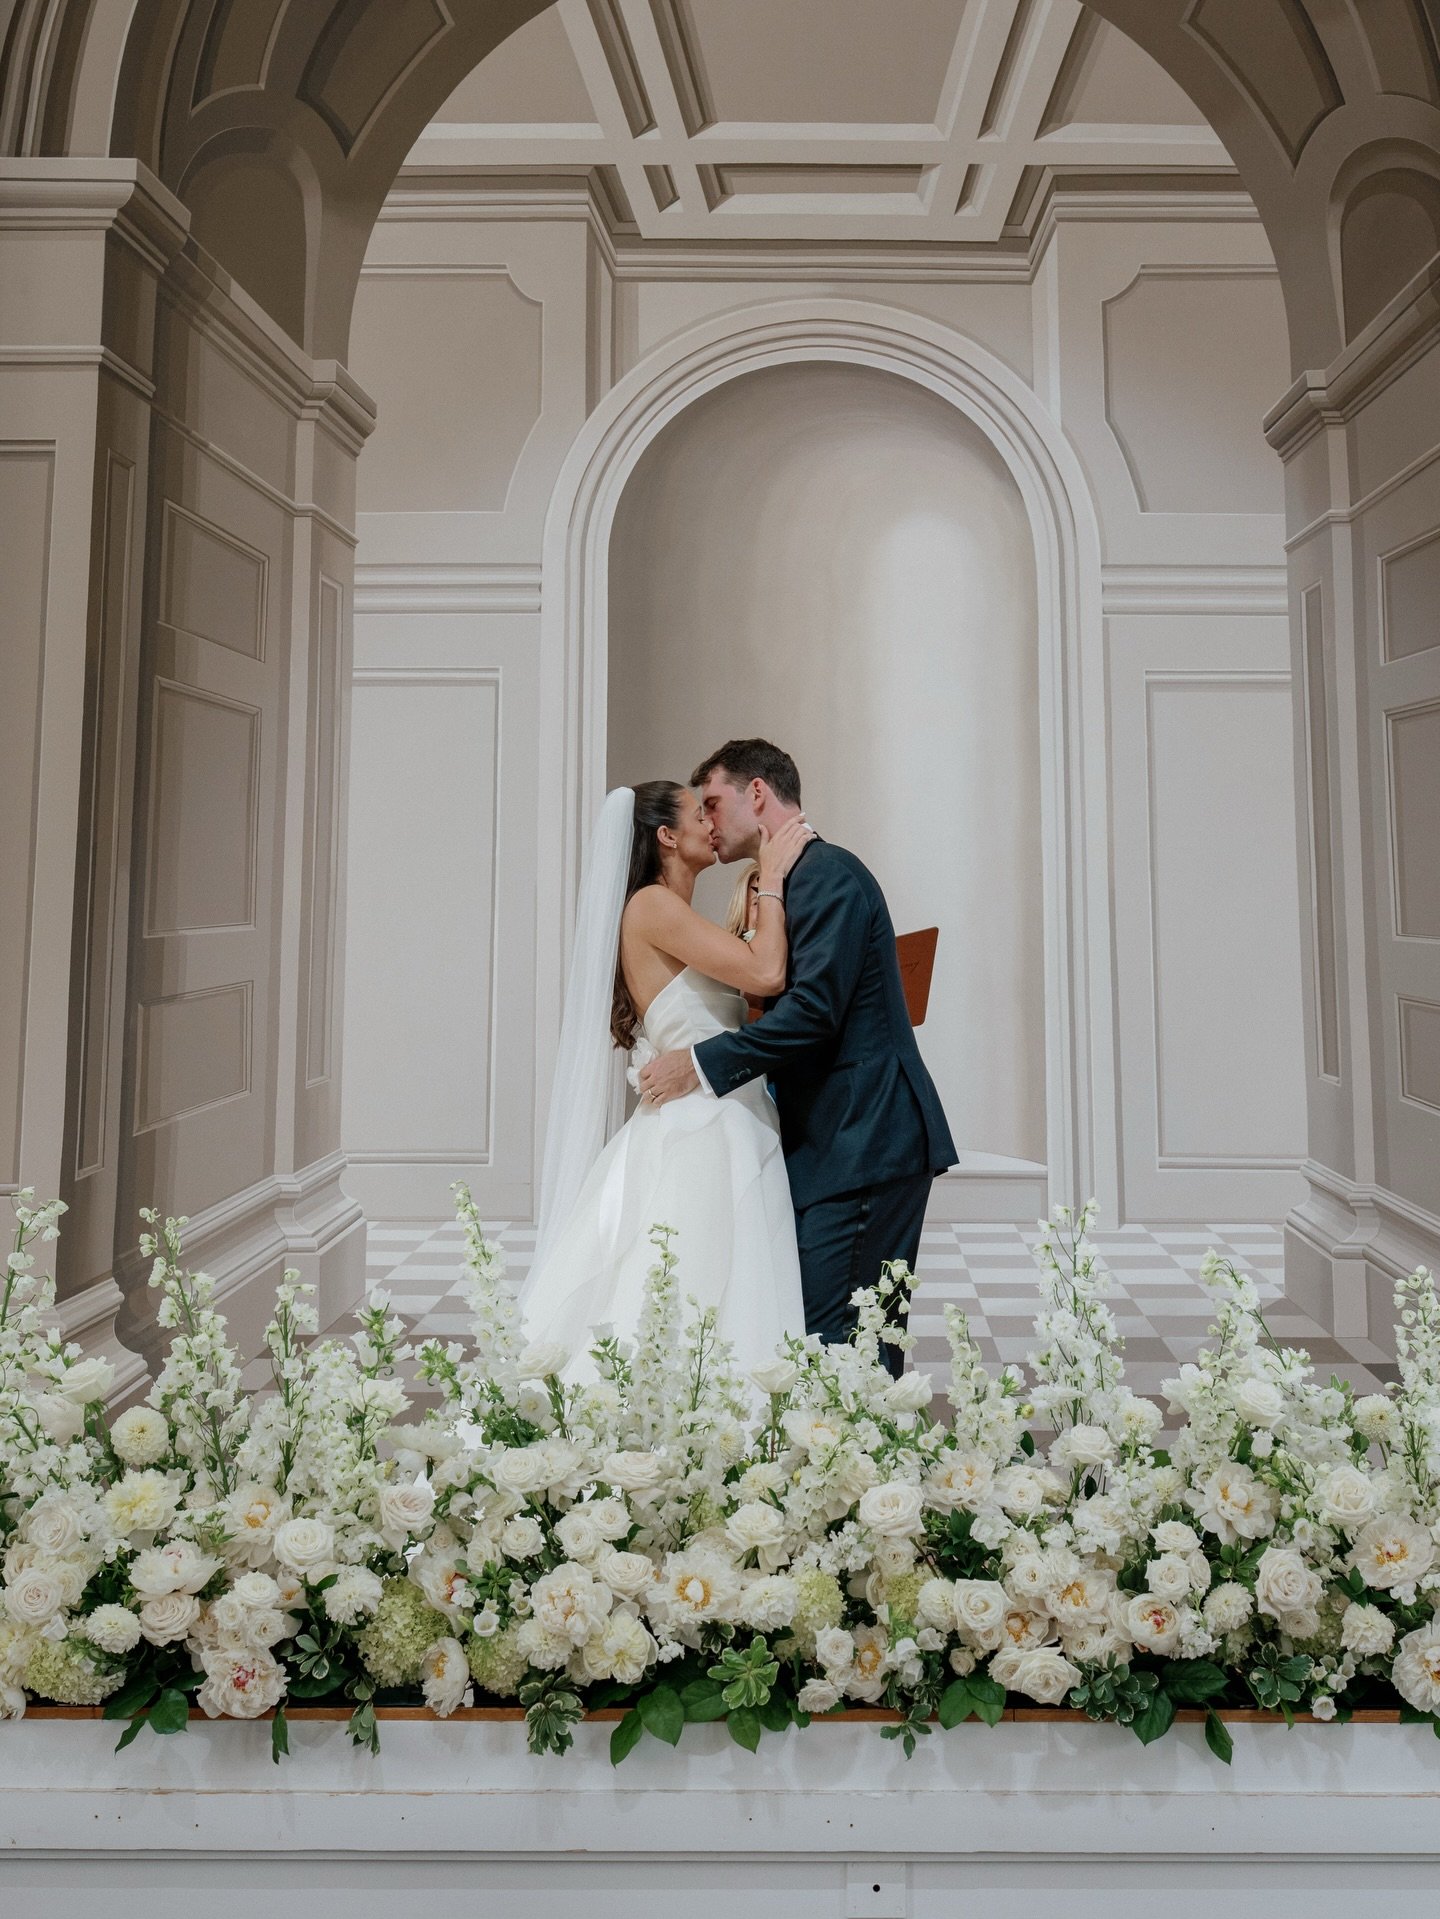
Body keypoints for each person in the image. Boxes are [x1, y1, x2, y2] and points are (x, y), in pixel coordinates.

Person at [639, 739, 956, 1379]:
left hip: (865, 1139)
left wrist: (697, 1063)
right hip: (836, 1143)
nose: (709, 821)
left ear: (756, 793)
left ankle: (875, 1473)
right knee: (838, 1342)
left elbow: (813, 1014)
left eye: (715, 802)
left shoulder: (827, 873)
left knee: (844, 1345)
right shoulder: (791, 883)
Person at [519, 782, 812, 1377]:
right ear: (667, 836)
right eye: (697, 812)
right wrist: (773, 878)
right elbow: (766, 972)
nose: (712, 821)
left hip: (724, 1111)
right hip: (703, 1128)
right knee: (697, 1293)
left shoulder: (674, 912)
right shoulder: (651, 906)